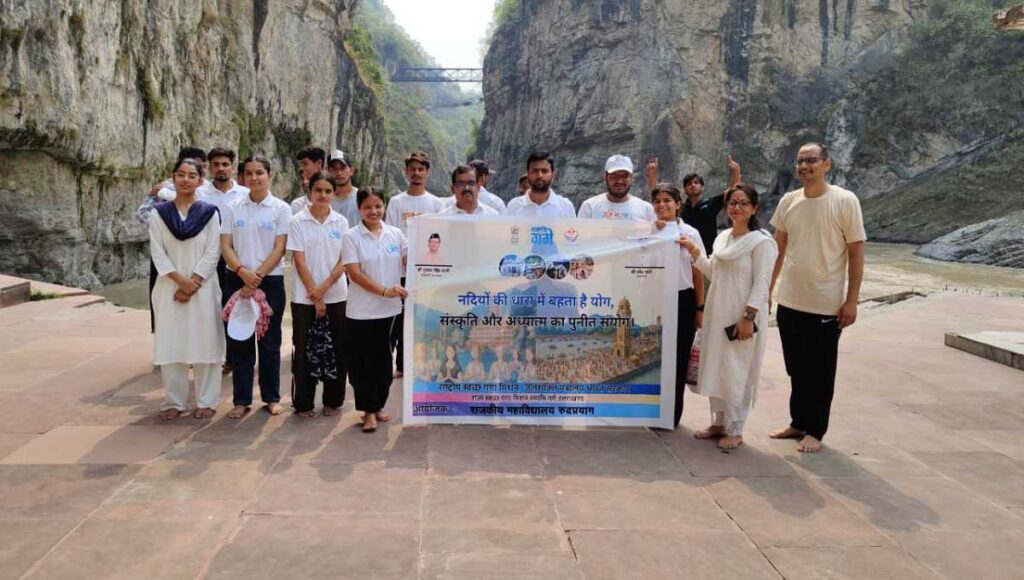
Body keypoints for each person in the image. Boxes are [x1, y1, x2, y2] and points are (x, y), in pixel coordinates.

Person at [768, 143, 866, 453]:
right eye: (800, 161)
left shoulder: (844, 201)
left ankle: (815, 430)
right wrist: (766, 291)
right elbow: (778, 250)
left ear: (826, 164)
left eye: (811, 160)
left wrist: (851, 300)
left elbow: (856, 253)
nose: (804, 166)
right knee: (795, 368)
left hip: (825, 304)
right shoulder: (788, 201)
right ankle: (798, 422)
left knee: (820, 372)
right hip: (789, 301)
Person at [680, 184, 777, 449]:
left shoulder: (762, 242)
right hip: (718, 312)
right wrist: (694, 252)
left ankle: (736, 429)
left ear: (754, 208)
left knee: (737, 369)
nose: (737, 208)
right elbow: (714, 272)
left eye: (744, 203)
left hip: (742, 315)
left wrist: (748, 317)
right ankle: (718, 423)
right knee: (717, 367)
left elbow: (762, 283)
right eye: (732, 203)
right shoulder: (723, 239)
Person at [148, 158, 225, 420]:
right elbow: (158, 253)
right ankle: (173, 401)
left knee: (206, 342)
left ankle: (207, 400)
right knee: (172, 342)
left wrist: (193, 282)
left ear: (200, 181)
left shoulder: (209, 213)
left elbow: (213, 251)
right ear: (173, 178)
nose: (185, 180)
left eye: (192, 175)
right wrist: (181, 282)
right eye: (180, 175)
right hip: (169, 286)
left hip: (203, 287)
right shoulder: (160, 214)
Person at [220, 155, 291, 418]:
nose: (254, 177)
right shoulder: (232, 207)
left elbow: (280, 248)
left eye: (259, 172)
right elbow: (226, 245)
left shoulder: (281, 208)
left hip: (269, 280)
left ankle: (271, 397)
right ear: (242, 177)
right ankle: (241, 399)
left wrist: (256, 276)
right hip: (236, 278)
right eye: (248, 173)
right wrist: (242, 272)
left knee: (270, 343)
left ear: (269, 175)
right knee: (240, 340)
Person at [343, 187, 408, 432]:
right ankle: (368, 411)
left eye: (378, 206)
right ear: (359, 209)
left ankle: (378, 404)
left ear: (385, 206)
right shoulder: (351, 236)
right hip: (361, 311)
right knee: (363, 363)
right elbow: (355, 274)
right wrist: (384, 291)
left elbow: (411, 259)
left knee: (384, 363)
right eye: (368, 207)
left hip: (390, 311)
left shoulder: (396, 234)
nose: (374, 211)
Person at [287, 171, 350, 417]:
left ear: (334, 193)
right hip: (304, 298)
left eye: (328, 191)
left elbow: (344, 259)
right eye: (318, 190)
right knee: (304, 348)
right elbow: (299, 261)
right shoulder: (297, 221)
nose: (323, 195)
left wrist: (324, 289)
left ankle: (333, 400)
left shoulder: (341, 222)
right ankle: (303, 402)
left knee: (338, 348)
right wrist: (316, 295)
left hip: (337, 295)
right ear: (309, 192)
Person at [651, 183, 706, 428]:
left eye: (667, 200)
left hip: (684, 300)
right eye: (657, 201)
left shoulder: (690, 233)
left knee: (679, 358)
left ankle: (671, 416)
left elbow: (698, 273)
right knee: (655, 358)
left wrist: (700, 308)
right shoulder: (649, 231)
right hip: (655, 299)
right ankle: (652, 411)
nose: (662, 205)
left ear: (678, 204)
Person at [385, 152, 443, 378]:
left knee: (419, 320)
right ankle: (388, 365)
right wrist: (403, 256)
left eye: (421, 169)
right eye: (413, 169)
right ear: (406, 171)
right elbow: (390, 234)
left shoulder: (436, 203)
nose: (416, 173)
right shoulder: (396, 202)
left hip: (426, 274)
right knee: (396, 320)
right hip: (400, 272)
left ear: (427, 172)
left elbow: (441, 238)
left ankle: (408, 365)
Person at [198, 147, 250, 372]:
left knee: (233, 308)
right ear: (209, 168)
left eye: (225, 164)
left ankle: (232, 357)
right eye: (216, 164)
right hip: (207, 260)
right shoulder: (200, 194)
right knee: (208, 308)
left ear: (233, 167)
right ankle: (207, 355)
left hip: (235, 260)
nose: (221, 168)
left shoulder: (244, 194)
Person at [645, 156, 741, 255]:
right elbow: (658, 194)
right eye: (689, 184)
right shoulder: (681, 207)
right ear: (685, 189)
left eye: (696, 183)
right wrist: (652, 174)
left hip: (709, 253)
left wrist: (736, 172)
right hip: (684, 252)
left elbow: (732, 192)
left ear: (702, 187)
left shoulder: (711, 203)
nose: (693, 185)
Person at [578, 155, 656, 222]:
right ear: (605, 178)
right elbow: (578, 233)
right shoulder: (589, 207)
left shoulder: (646, 209)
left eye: (624, 176)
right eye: (614, 176)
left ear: (631, 178)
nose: (619, 181)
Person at [506, 151, 576, 218]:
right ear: (528, 175)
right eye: (535, 171)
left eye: (544, 171)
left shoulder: (565, 207)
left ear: (553, 175)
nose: (539, 176)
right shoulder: (514, 206)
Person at [326, 149, 360, 226]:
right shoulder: (325, 198)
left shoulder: (361, 197)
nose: (339, 173)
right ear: (327, 171)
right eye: (334, 169)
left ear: (351, 170)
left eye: (343, 168)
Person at [290, 146, 327, 214]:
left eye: (305, 164)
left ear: (319, 163)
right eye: (300, 165)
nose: (301, 168)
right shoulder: (297, 205)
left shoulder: (332, 201)